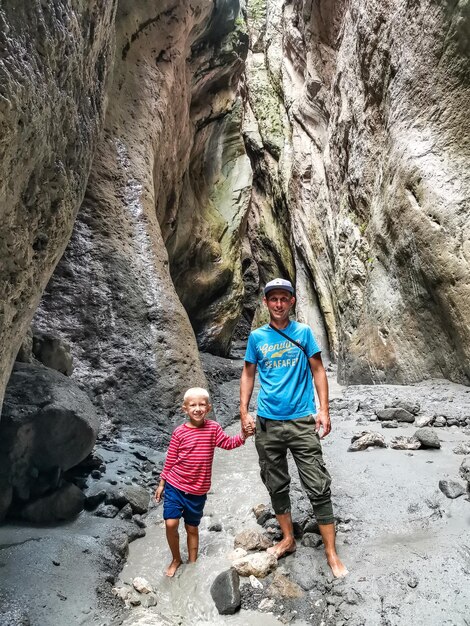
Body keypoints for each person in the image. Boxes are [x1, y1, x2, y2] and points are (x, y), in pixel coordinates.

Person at [240, 278, 348, 578]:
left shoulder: (303, 333)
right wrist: (243, 411)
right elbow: (248, 374)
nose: (278, 304)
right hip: (267, 422)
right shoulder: (257, 338)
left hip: (302, 420)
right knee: (275, 482)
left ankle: (330, 551)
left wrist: (324, 410)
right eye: (272, 298)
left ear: (291, 302)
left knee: (317, 484)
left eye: (283, 298)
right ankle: (288, 539)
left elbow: (318, 370)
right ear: (266, 303)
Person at [155, 387, 251, 577]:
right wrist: (162, 483)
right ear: (185, 409)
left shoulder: (213, 428)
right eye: (193, 405)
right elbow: (171, 459)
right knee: (171, 523)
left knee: (192, 528)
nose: (197, 408)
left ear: (208, 408)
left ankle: (192, 564)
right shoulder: (179, 433)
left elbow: (228, 443)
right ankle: (176, 559)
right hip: (175, 485)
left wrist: (243, 436)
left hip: (198, 490)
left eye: (201, 405)